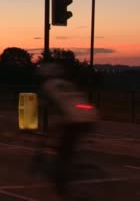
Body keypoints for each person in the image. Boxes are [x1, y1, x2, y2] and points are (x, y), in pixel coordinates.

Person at [36, 63, 98, 196]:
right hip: (89, 115)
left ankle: (65, 180)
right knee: (67, 147)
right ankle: (71, 168)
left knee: (62, 151)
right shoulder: (66, 83)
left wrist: (47, 136)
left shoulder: (48, 86)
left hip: (73, 119)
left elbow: (49, 108)